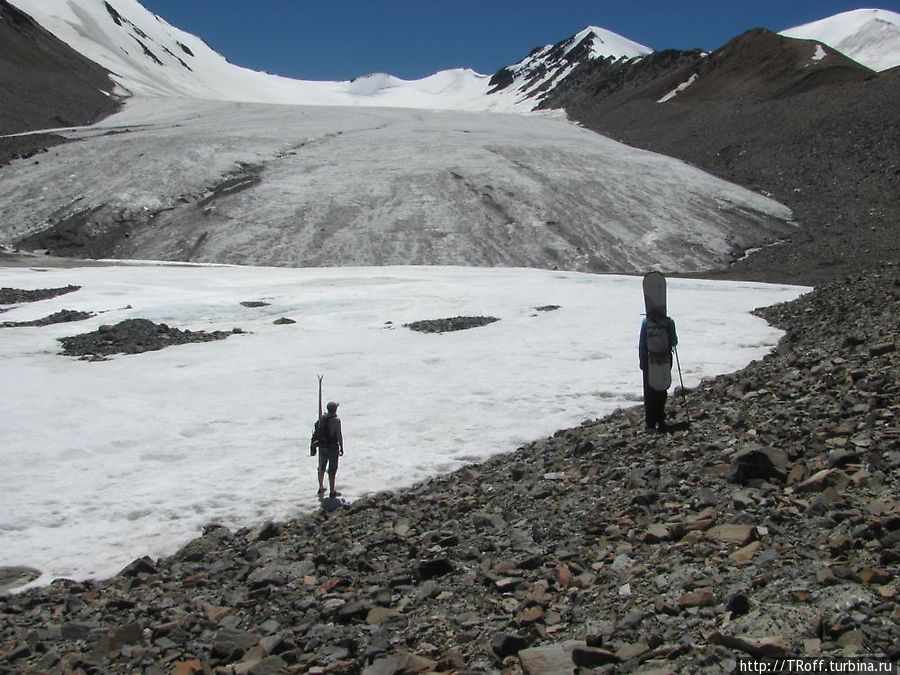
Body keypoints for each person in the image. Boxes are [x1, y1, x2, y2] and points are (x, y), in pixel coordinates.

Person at [639, 312, 678, 431]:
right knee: (662, 389)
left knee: (649, 391)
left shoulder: (646, 322)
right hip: (665, 359)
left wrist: (642, 361)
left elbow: (642, 344)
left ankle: (650, 423)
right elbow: (674, 342)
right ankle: (661, 420)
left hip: (649, 359)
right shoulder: (669, 322)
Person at [316, 401, 344, 498]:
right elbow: (338, 434)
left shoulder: (322, 418)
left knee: (321, 467)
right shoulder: (336, 420)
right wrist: (341, 446)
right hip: (332, 447)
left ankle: (320, 487)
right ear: (335, 409)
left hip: (322, 446)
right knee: (332, 469)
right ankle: (332, 491)